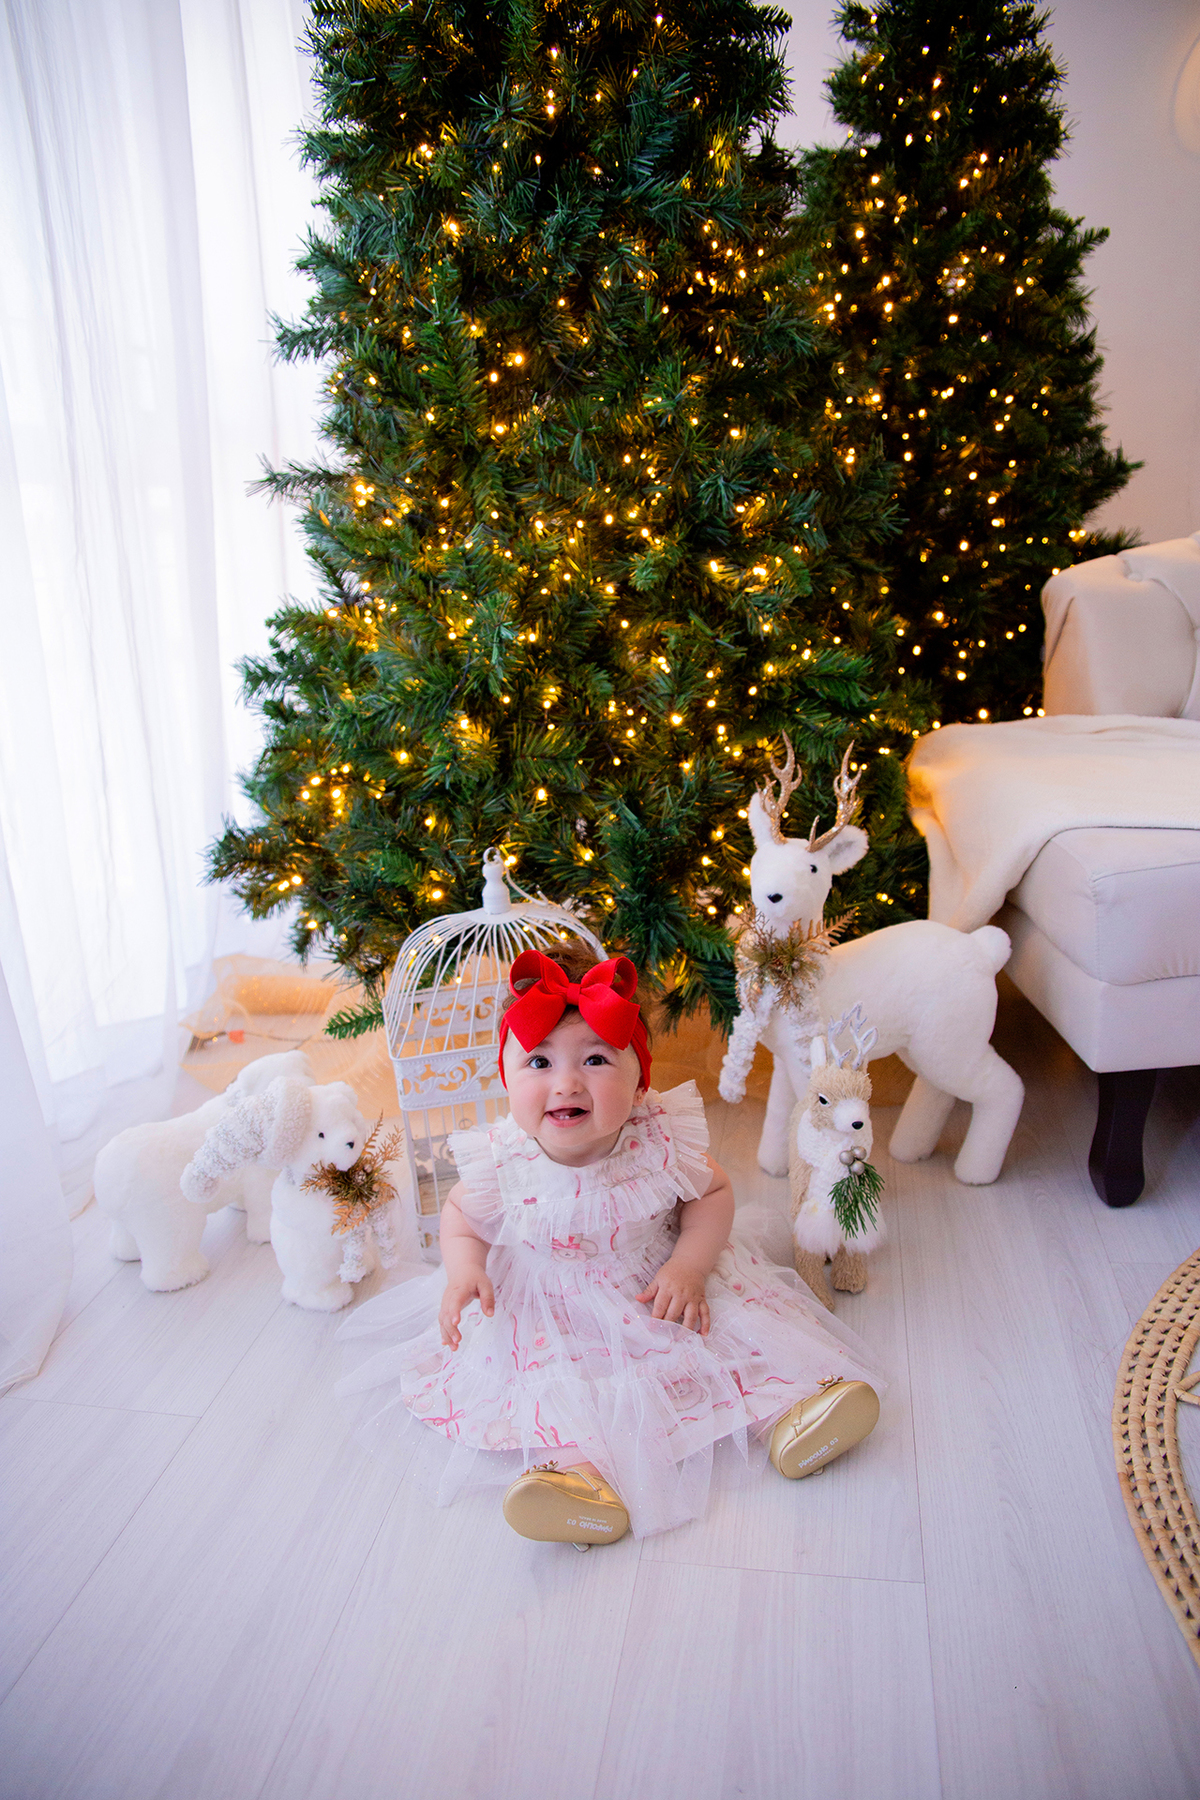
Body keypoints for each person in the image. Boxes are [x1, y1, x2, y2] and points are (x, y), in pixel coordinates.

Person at [337, 946, 884, 1545]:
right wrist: (464, 1270)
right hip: (552, 1300)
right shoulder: (504, 1161)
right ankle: (577, 1483)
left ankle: (792, 1418)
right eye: (538, 1063)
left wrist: (689, 1264)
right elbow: (462, 1217)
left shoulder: (657, 1137)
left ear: (639, 1079)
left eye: (596, 1059)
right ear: (507, 1077)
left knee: (725, 1337)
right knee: (558, 1378)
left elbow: (713, 1193)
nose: (566, 1082)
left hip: (657, 1279)